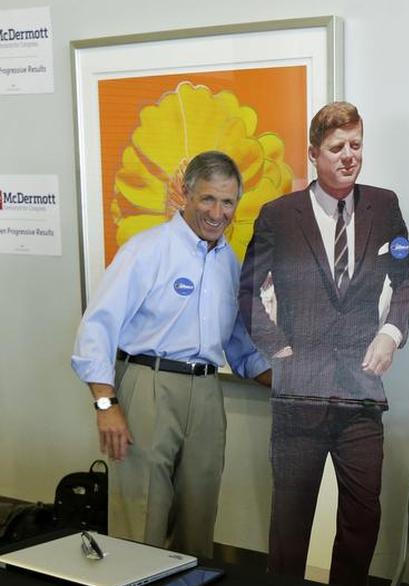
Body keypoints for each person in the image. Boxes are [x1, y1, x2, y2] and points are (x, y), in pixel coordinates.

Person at [239, 101, 409, 586]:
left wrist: (390, 332)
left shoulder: (384, 206)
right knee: (290, 521)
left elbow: (406, 279)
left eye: (356, 145)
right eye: (337, 148)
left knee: (362, 517)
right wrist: (277, 350)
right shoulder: (279, 215)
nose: (349, 157)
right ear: (313, 154)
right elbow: (249, 291)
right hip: (299, 397)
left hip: (360, 396)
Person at [71, 150, 271, 559]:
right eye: (208, 199)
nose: (218, 213)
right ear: (186, 194)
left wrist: (293, 382)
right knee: (142, 513)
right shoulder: (146, 250)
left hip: (207, 393)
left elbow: (239, 343)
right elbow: (97, 326)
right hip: (149, 385)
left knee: (199, 517)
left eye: (228, 202)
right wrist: (106, 404)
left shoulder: (228, 264)